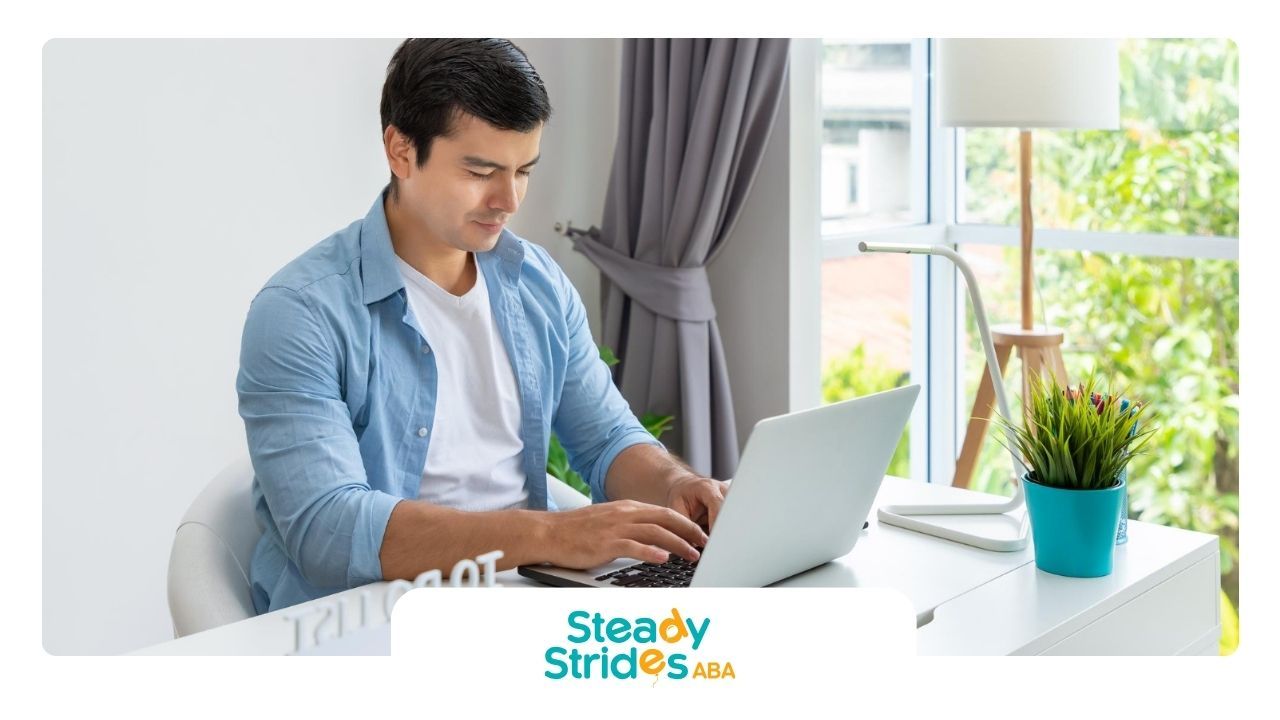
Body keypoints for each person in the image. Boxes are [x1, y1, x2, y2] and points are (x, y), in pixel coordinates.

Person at [236, 38, 729, 614]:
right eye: (480, 171)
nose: (508, 199)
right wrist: (549, 536)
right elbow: (329, 529)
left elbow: (607, 438)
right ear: (400, 149)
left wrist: (675, 486)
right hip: (368, 616)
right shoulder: (301, 311)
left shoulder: (536, 281)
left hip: (524, 601)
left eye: (523, 171)